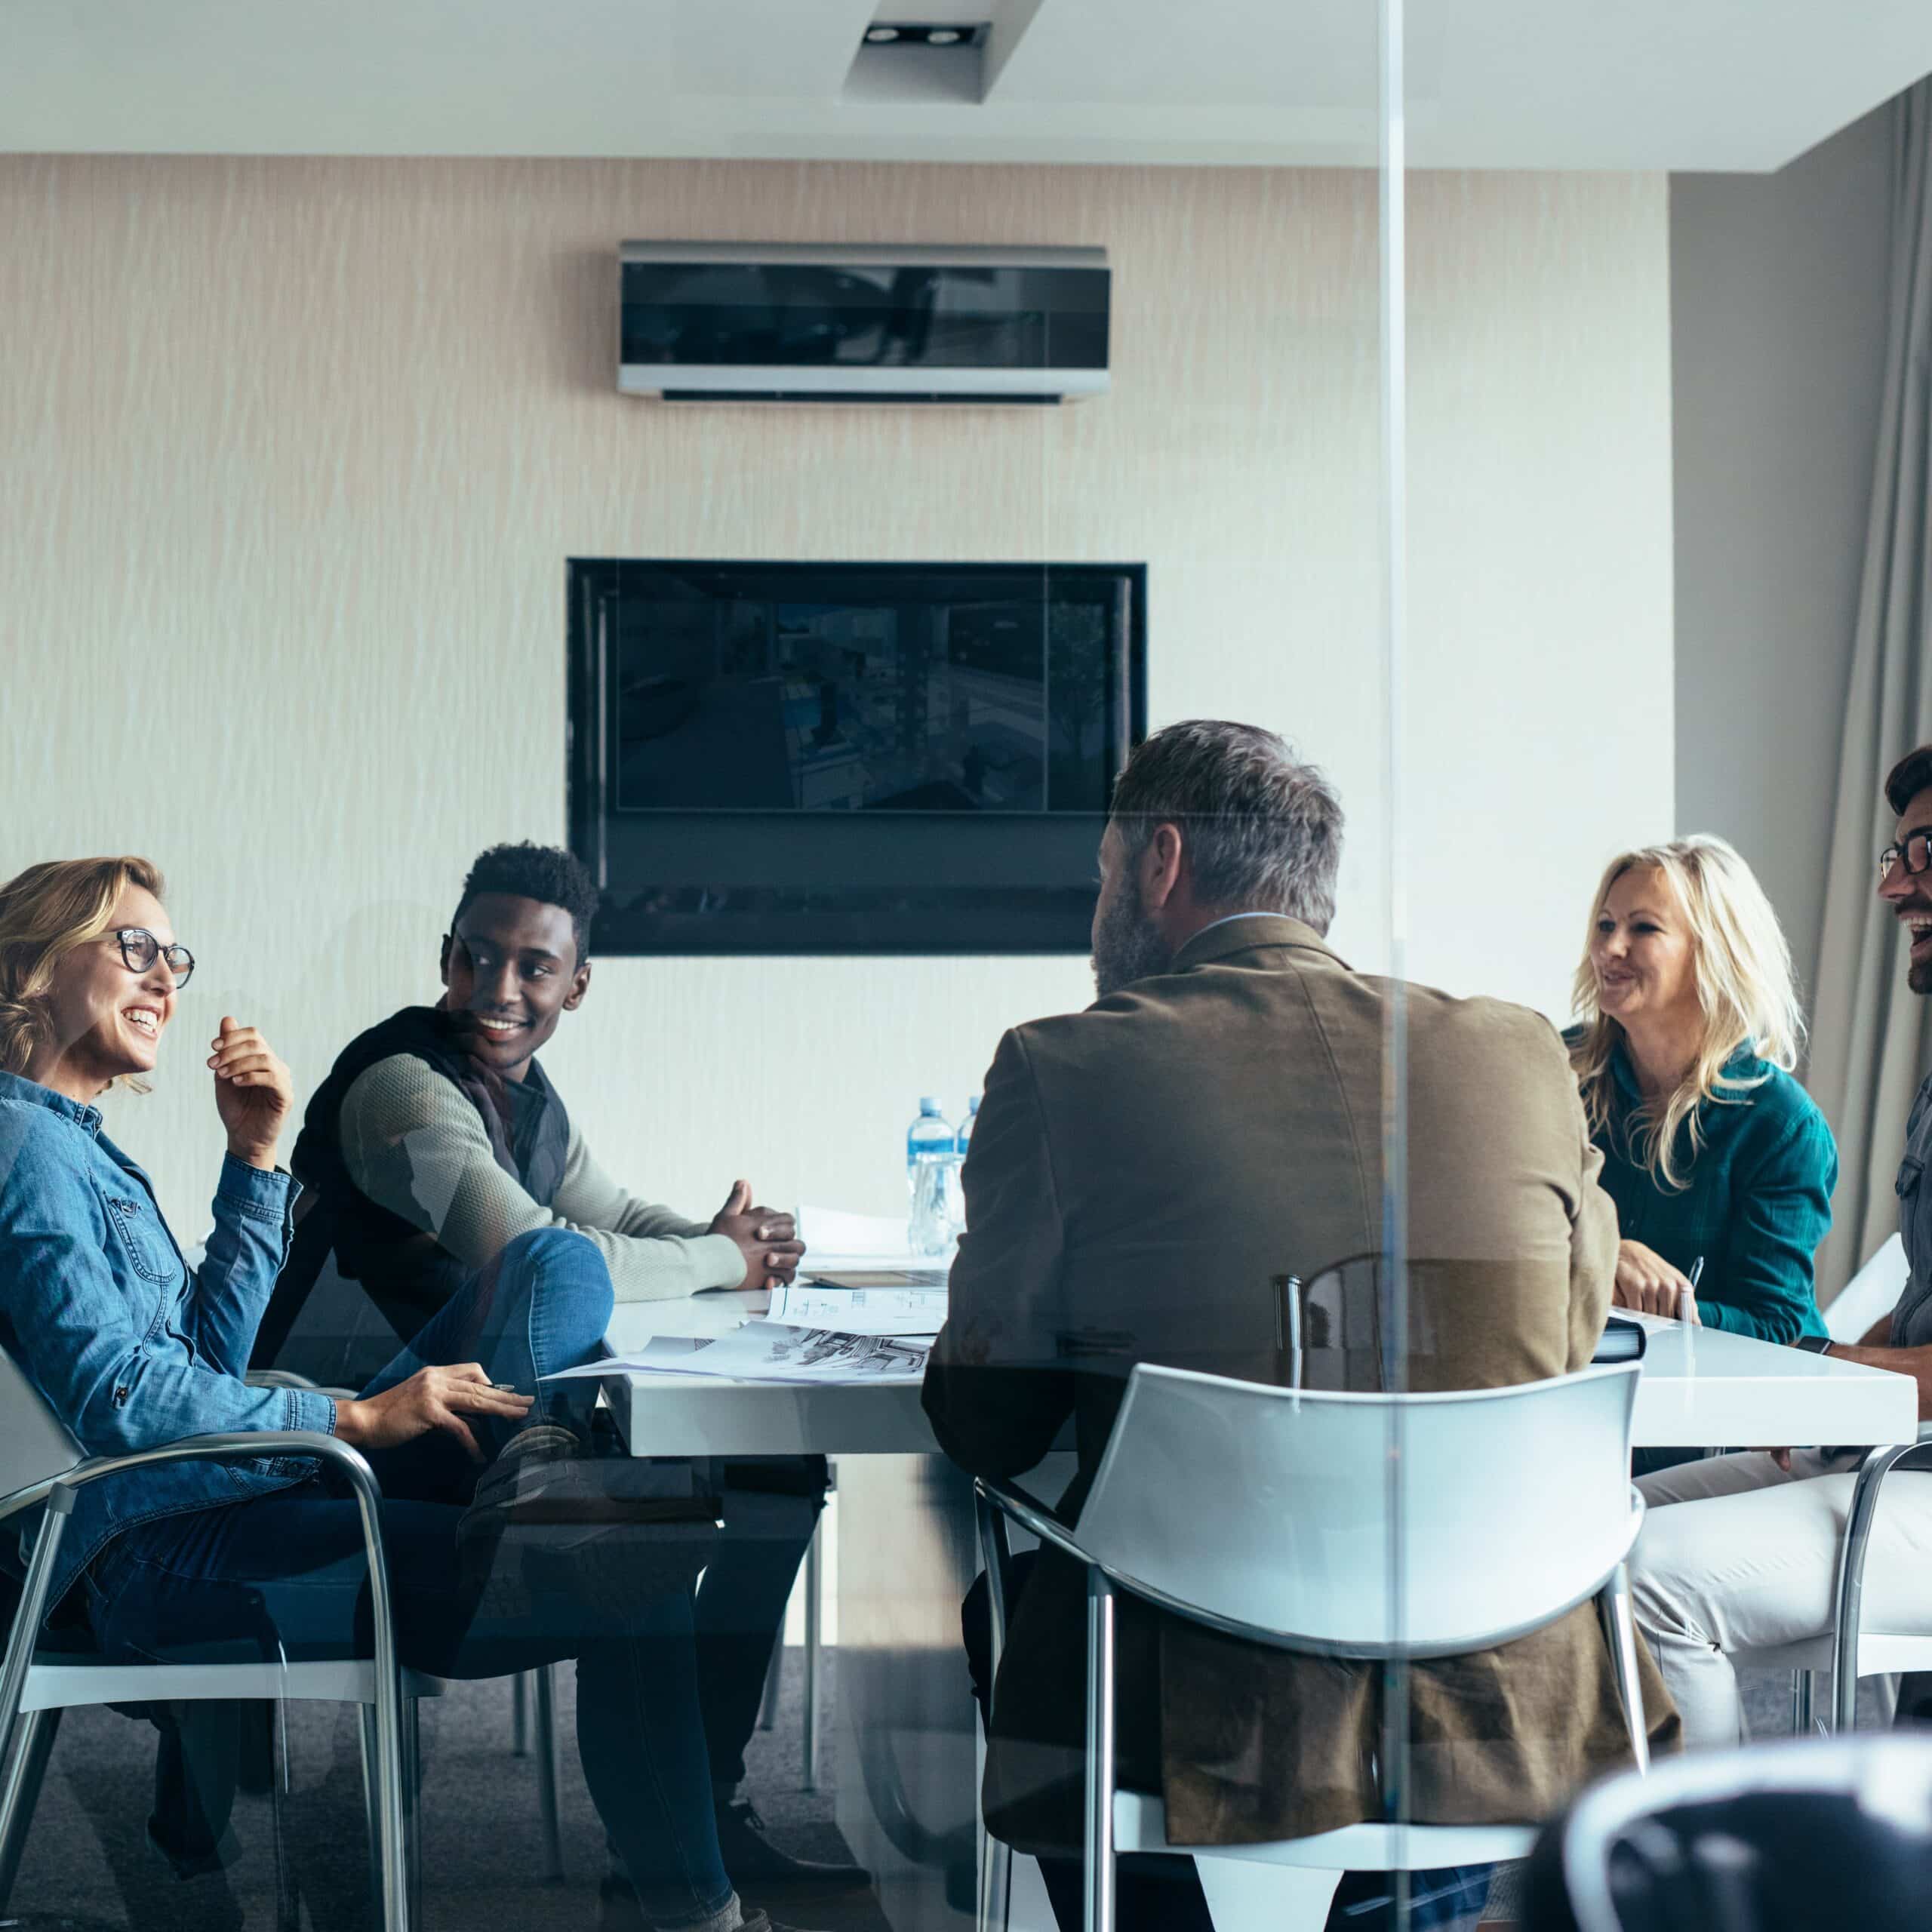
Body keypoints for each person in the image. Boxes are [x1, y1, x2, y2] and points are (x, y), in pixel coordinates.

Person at [921, 720, 1678, 1932]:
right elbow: (1565, 1331)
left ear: (1160, 861)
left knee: (1010, 1600)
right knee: (1416, 1624)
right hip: (1504, 1675)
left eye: (1106, 868)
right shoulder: (1520, 1050)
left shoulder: (1064, 1065)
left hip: (1199, 1690)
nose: (1100, 899)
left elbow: (990, 1421)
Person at [0, 855, 823, 1932]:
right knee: (632, 1570)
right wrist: (346, 1419)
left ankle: (539, 1492)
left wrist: (252, 1157)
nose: (164, 981)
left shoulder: (75, 1150)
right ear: (31, 965)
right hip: (164, 1555)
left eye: (173, 957)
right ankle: (691, 1907)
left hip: (212, 1500)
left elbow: (196, 1362)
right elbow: (121, 1396)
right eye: (134, 948)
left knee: (560, 1280)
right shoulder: (24, 1146)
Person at [251, 841, 860, 1892]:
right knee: (564, 1313)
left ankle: (702, 1807)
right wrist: (719, 1261)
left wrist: (740, 1247)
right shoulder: (404, 1086)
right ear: (446, 958)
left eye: (534, 966)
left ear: (576, 986)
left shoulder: (531, 1098)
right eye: (478, 959)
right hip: (353, 1430)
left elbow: (616, 1217)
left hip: (475, 1426)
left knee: (768, 1476)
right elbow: (537, 1249)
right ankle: (546, 1508)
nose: (499, 988)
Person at [1630, 745, 1932, 1749]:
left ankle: (1730, 1886)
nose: (1891, 882)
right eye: (1895, 855)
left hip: (1916, 1478)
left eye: (1921, 851)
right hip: (1896, 1459)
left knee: (1646, 1581)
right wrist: (1830, 1388)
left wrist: (1813, 1370)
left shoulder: (1777, 1120)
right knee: (1587, 1531)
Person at [1567, 835, 1835, 1342]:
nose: (1609, 948)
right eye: (1605, 924)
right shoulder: (1558, 1071)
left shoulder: (1782, 1125)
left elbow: (1779, 1326)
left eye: (1642, 928)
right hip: (1582, 1383)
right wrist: (1603, 1252)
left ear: (1714, 952)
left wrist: (1663, 1308)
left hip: (1721, 1403)